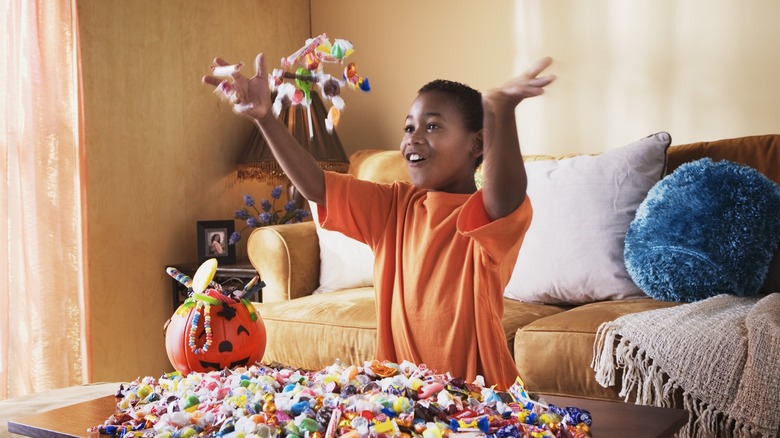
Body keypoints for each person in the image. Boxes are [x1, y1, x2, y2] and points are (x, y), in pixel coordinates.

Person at [203, 54, 555, 389]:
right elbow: (317, 186)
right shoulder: (393, 206)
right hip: (403, 398)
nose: (413, 138)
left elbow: (504, 193)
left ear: (477, 143)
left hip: (484, 400)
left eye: (432, 126)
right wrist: (265, 118)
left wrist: (499, 112)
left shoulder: (485, 213)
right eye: (409, 127)